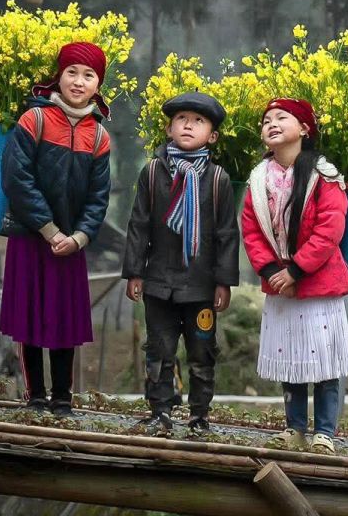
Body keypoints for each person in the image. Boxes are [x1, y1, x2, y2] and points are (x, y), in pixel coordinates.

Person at [0, 40, 112, 416]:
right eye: (72, 72)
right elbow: (17, 179)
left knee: (64, 319)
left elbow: (99, 197)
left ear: (99, 84)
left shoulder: (99, 136)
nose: (79, 82)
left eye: (89, 75)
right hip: (34, 237)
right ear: (58, 77)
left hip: (71, 244)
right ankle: (35, 397)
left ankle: (63, 398)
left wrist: (79, 237)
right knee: (30, 317)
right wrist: (49, 230)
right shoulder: (35, 120)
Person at [122, 90, 240, 438]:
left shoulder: (217, 179)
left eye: (198, 121)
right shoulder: (153, 172)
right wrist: (134, 272)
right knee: (159, 348)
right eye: (181, 120)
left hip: (201, 284)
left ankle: (200, 415)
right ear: (170, 129)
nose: (188, 125)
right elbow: (138, 224)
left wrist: (224, 282)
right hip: (159, 281)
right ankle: (160, 411)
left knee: (202, 351)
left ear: (212, 135)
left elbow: (227, 234)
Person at [240, 97, 348, 454]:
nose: (271, 123)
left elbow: (329, 229)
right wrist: (273, 270)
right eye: (266, 120)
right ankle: (294, 428)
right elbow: (251, 230)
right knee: (289, 355)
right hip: (281, 284)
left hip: (317, 283)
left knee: (323, 359)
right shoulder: (258, 180)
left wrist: (296, 269)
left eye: (281, 117)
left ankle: (324, 432)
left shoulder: (325, 175)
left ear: (305, 128)